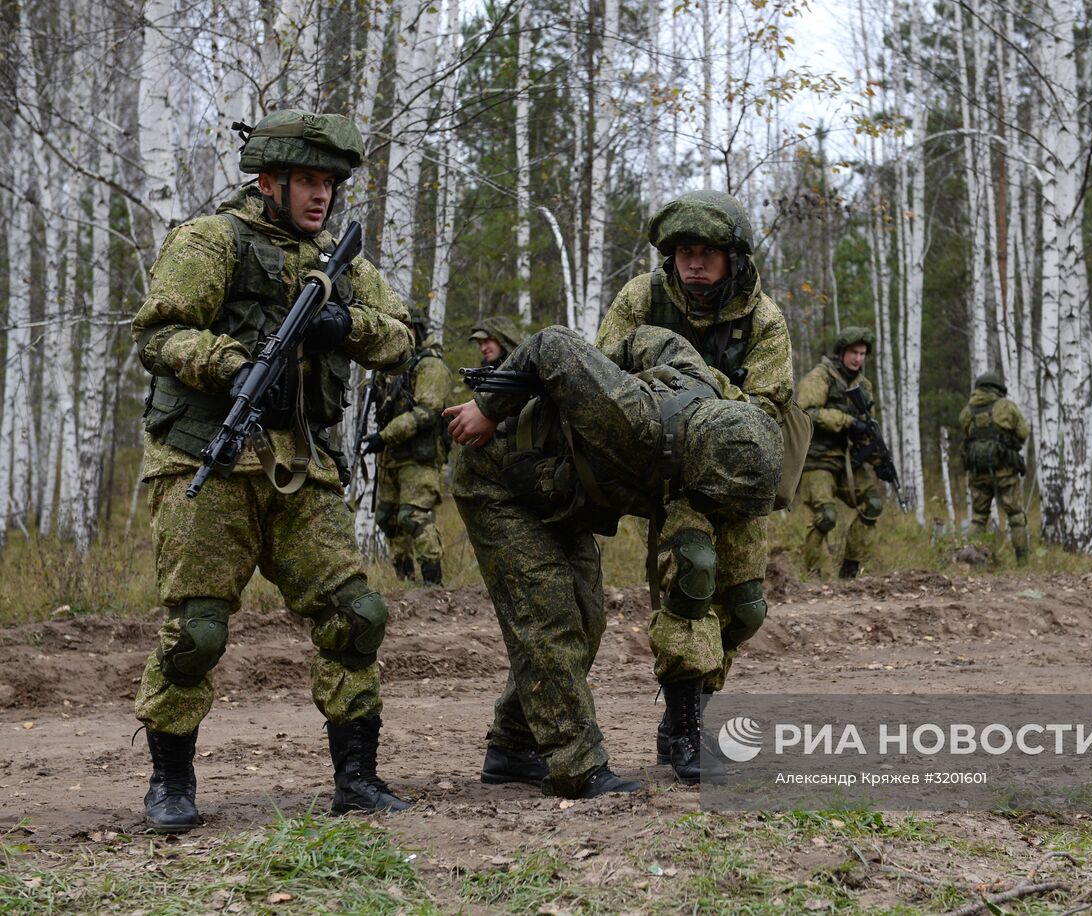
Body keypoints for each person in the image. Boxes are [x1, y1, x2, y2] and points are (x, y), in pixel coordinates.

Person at [130, 110, 414, 833]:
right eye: (308, 182)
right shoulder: (210, 241)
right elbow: (159, 332)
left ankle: (357, 778)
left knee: (357, 615)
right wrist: (230, 364)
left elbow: (402, 336)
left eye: (330, 183)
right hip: (207, 455)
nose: (321, 196)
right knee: (196, 631)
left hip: (300, 464)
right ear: (269, 181)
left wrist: (341, 325)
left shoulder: (342, 263)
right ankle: (170, 781)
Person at [447, 326, 782, 793]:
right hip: (497, 478)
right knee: (551, 618)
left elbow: (644, 339)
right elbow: (552, 346)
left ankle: (512, 748)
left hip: (561, 496)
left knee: (588, 622)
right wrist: (489, 406)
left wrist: (596, 374)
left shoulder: (702, 392)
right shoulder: (633, 417)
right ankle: (576, 765)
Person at [594, 190, 793, 777]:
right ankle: (685, 730)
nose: (694, 263)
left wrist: (694, 383)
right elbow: (603, 372)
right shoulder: (643, 298)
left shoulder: (763, 319)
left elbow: (768, 407)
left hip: (736, 474)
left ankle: (693, 704)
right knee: (692, 577)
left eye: (707, 251)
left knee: (745, 608)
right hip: (670, 472)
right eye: (684, 251)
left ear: (733, 257)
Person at [362, 308, 452, 585]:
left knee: (413, 517)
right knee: (387, 518)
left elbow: (428, 411)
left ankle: (433, 586)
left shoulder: (429, 366)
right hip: (391, 459)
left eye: (407, 329)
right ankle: (404, 582)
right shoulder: (386, 371)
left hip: (419, 458)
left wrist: (386, 436)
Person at [796, 327, 891, 578]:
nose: (858, 358)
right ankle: (813, 574)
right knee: (826, 516)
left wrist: (879, 461)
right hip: (817, 460)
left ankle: (850, 569)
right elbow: (807, 412)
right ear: (842, 352)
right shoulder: (821, 376)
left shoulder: (864, 386)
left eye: (862, 354)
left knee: (872, 505)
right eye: (853, 352)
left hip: (848, 461)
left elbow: (867, 429)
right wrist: (847, 421)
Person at [958, 371, 1031, 561]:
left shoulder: (967, 411)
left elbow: (965, 432)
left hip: (977, 472)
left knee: (978, 517)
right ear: (998, 388)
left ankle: (971, 559)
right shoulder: (1006, 407)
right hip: (1004, 470)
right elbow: (1023, 433)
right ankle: (1022, 561)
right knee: (1015, 516)